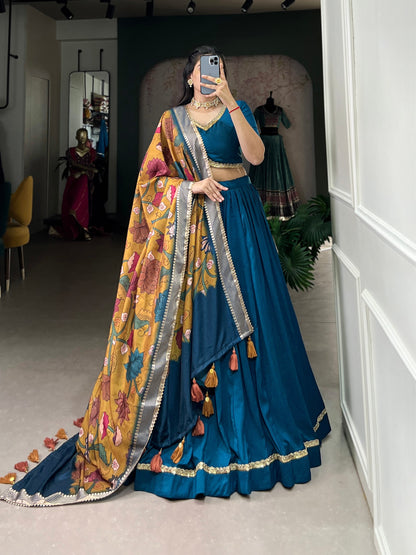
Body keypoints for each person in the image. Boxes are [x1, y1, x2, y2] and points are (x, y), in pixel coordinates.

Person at [0, 46, 330, 506]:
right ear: (190, 77)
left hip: (239, 221)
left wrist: (232, 101)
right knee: (199, 321)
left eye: (219, 69)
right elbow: (149, 184)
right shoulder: (172, 122)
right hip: (192, 230)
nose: (211, 76)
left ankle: (256, 415)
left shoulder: (235, 109)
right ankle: (188, 415)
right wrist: (190, 186)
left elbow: (255, 158)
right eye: (205, 71)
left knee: (256, 314)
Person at [249, 92, 300, 218]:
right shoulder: (259, 110)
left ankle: (278, 211)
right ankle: (260, 208)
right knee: (262, 171)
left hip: (275, 145)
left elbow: (287, 124)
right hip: (264, 143)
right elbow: (250, 125)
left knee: (277, 171)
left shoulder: (279, 111)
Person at [61, 128, 97, 241]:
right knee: (82, 181)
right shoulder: (71, 151)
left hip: (86, 181)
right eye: (80, 136)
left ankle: (77, 214)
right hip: (74, 180)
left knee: (84, 180)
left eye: (84, 136)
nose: (82, 138)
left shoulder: (92, 153)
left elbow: (94, 168)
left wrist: (86, 172)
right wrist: (86, 169)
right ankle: (78, 223)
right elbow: (73, 164)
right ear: (76, 137)